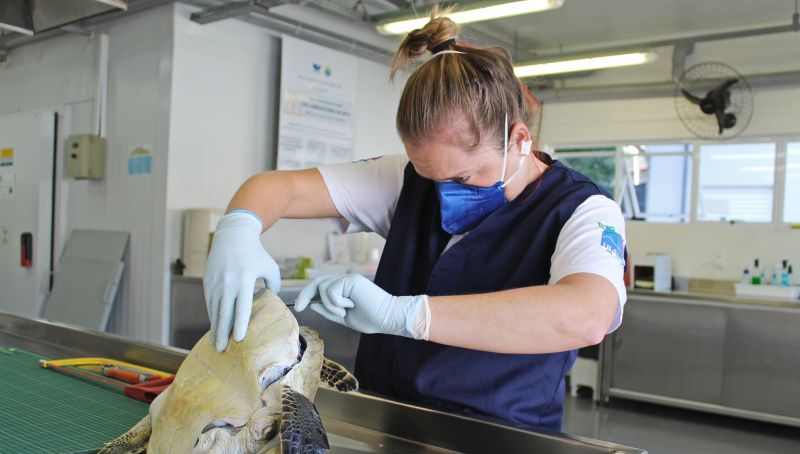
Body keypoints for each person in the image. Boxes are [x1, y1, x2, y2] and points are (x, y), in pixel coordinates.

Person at [203, 15, 626, 432]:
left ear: (518, 140)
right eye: (431, 177)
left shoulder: (582, 210)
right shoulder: (407, 180)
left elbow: (586, 315)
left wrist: (402, 314)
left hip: (499, 446)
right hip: (385, 426)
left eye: (462, 177)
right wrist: (239, 228)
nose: (442, 191)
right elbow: (281, 187)